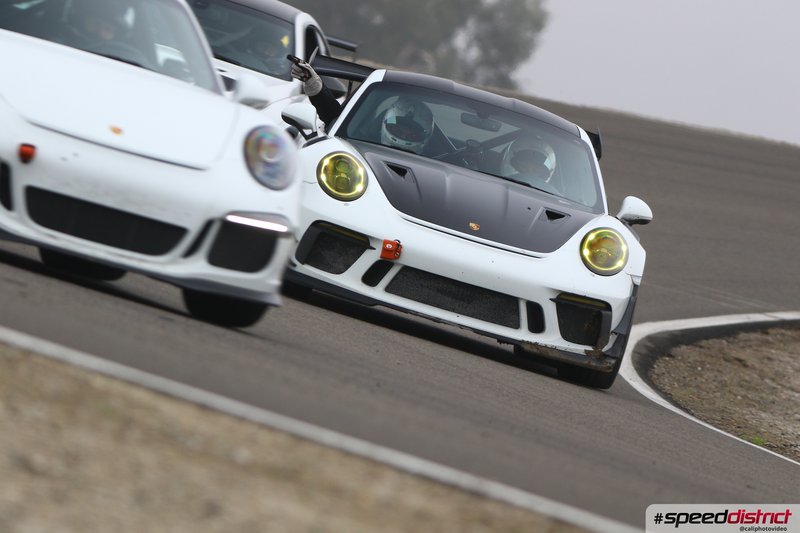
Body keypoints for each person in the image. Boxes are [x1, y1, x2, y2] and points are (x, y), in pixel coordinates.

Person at [291, 59, 435, 155]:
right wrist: (314, 85)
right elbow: (332, 117)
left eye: (410, 135)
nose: (403, 136)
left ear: (426, 136)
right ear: (385, 122)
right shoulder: (353, 134)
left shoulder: (441, 160)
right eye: (397, 130)